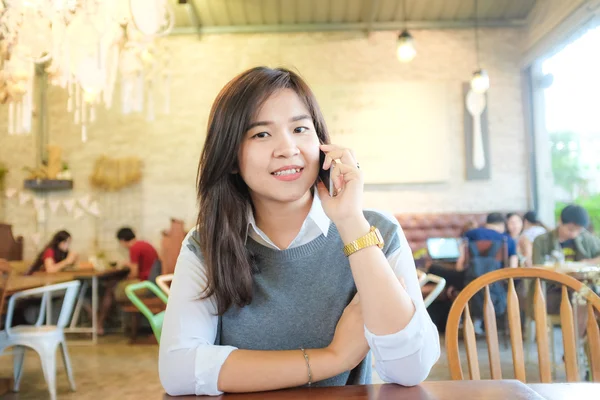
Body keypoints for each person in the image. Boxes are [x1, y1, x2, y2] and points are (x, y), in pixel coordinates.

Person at [159, 67, 440, 396]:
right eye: (261, 134)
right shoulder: (206, 243)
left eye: (300, 128)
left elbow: (410, 369)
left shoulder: (378, 231)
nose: (287, 148)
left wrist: (350, 222)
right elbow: (179, 369)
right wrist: (333, 359)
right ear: (231, 157)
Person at [533, 204, 600, 266]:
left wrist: (590, 262)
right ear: (560, 221)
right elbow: (538, 268)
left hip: (581, 278)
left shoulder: (587, 239)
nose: (574, 234)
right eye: (570, 229)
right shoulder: (541, 241)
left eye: (578, 230)